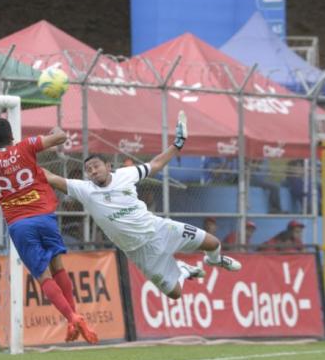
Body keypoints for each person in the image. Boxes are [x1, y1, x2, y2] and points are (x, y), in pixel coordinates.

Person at [43, 112, 241, 301]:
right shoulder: (84, 190)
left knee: (213, 243)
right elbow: (51, 177)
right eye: (89, 170)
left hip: (160, 229)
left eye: (96, 166)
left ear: (108, 166)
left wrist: (177, 144)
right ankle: (183, 270)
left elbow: (155, 164)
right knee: (175, 293)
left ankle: (213, 260)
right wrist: (22, 157)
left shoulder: (125, 174)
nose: (93, 171)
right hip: (140, 252)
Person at [0, 103, 98, 345]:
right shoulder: (25, 146)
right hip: (44, 217)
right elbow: (60, 137)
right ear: (12, 136)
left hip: (20, 224)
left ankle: (71, 317)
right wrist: (56, 128)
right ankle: (73, 317)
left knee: (43, 275)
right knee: (58, 266)